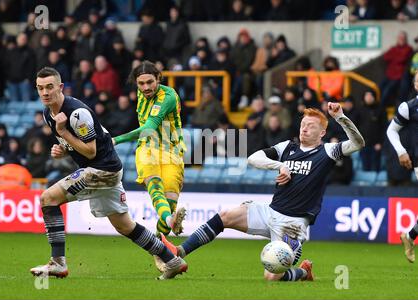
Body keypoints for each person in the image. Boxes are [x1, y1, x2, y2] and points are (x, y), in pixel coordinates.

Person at [159, 104, 365, 281]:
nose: (305, 129)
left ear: (322, 133)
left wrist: (340, 117)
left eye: (311, 126)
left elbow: (358, 143)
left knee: (272, 277)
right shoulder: (287, 148)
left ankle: (302, 273)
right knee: (225, 216)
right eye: (303, 124)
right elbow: (253, 158)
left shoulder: (327, 151)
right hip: (269, 212)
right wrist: (280, 166)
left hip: (292, 225)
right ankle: (179, 252)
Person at [30, 67, 187, 280]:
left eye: (49, 87)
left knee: (48, 198)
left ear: (61, 87)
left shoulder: (76, 114)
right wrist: (63, 150)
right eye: (40, 88)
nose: (45, 92)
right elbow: (77, 147)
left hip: (101, 170)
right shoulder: (48, 113)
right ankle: (172, 260)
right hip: (106, 168)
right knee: (125, 226)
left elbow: (90, 150)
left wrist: (63, 133)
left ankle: (58, 262)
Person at [112, 61, 187, 238]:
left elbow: (149, 127)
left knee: (169, 206)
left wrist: (115, 140)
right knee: (155, 186)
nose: (146, 87)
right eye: (141, 83)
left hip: (172, 152)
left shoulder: (167, 97)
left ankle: (159, 246)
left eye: (150, 82)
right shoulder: (141, 92)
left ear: (158, 78)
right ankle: (170, 221)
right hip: (148, 149)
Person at [387, 70, 418, 263]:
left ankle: (410, 235)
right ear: (415, 85)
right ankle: (410, 235)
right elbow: (391, 131)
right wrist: (401, 151)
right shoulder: (410, 107)